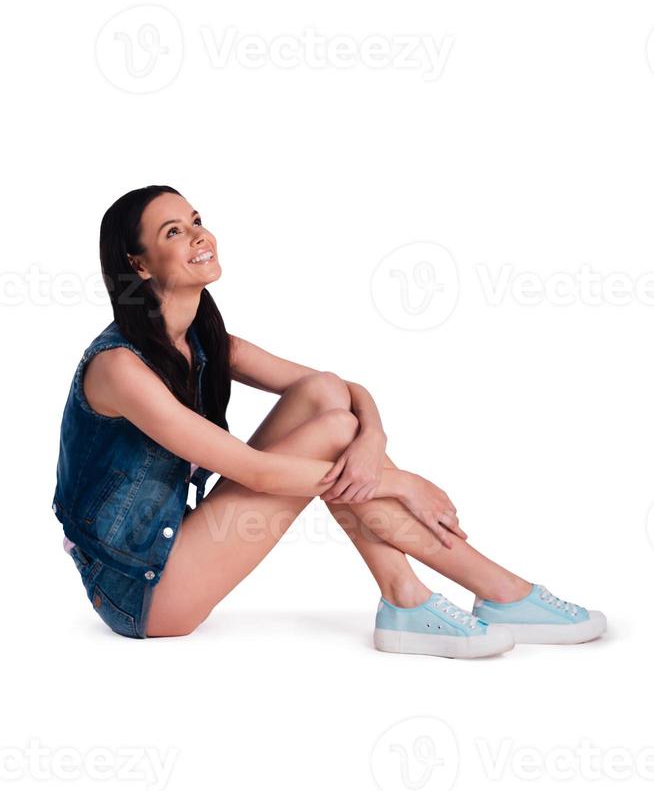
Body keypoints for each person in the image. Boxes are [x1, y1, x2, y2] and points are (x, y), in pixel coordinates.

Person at [51, 184, 607, 654]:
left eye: (196, 221)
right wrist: (399, 482)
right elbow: (258, 471)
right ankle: (494, 590)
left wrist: (374, 442)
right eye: (173, 231)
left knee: (328, 402)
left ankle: (408, 600)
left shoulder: (202, 341)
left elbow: (339, 388)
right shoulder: (119, 368)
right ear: (138, 264)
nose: (199, 235)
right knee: (338, 431)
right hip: (139, 593)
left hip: (174, 550)